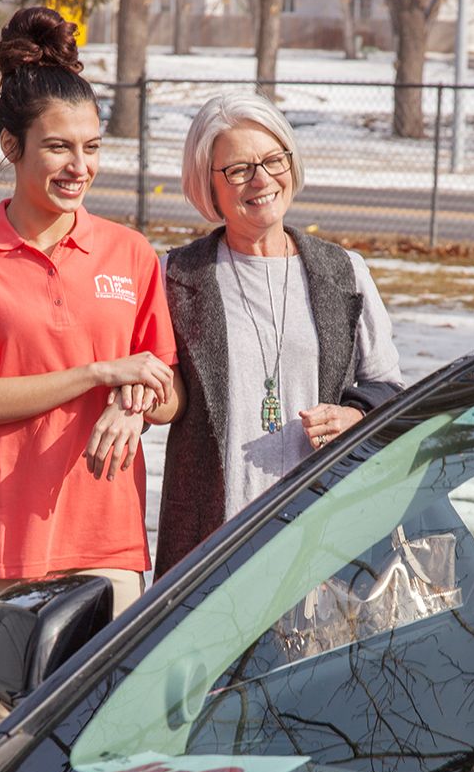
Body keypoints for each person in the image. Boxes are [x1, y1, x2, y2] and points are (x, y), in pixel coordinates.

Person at [0, 6, 185, 740]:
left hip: (107, 544)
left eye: (93, 148)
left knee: (108, 746)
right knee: (3, 757)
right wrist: (99, 371)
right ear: (10, 144)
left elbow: (168, 390)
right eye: (58, 148)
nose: (80, 167)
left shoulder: (129, 254)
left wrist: (137, 399)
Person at [154, 91, 403, 579]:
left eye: (273, 159)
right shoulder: (176, 278)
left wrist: (355, 417)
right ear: (208, 184)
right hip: (212, 547)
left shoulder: (344, 273)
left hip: (322, 541)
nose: (263, 179)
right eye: (239, 169)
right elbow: (153, 393)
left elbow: (389, 389)